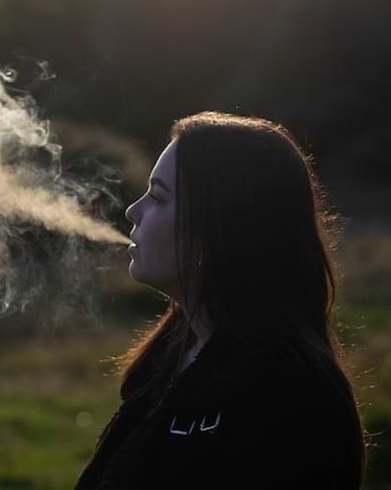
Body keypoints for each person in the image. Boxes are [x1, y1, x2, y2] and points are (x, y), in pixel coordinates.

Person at [75, 112, 367, 490]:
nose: (134, 211)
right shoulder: (168, 360)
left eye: (159, 197)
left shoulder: (292, 400)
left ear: (217, 227)